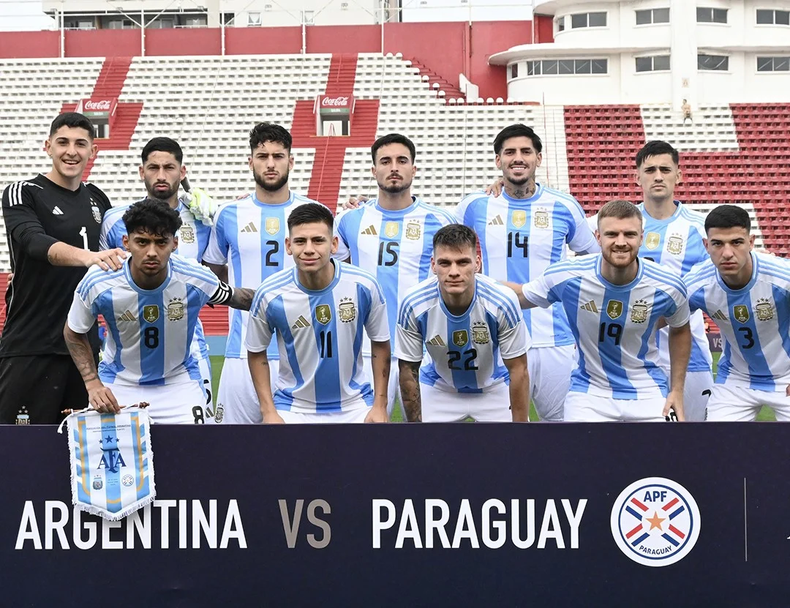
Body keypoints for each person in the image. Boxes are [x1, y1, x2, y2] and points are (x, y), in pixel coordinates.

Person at [456, 124, 599, 422]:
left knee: (562, 431)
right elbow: (437, 236)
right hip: (494, 339)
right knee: (504, 435)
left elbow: (594, 261)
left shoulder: (564, 206)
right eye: (509, 152)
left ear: (539, 158)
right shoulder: (475, 205)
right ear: (498, 161)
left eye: (525, 152)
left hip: (554, 339)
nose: (517, 158)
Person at [64, 200, 253, 423]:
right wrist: (92, 383)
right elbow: (74, 331)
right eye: (142, 242)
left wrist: (287, 297)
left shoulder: (195, 277)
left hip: (179, 384)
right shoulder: (99, 280)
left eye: (161, 242)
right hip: (119, 384)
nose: (151, 252)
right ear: (126, 242)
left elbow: (240, 298)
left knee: (196, 454)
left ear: (175, 243)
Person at [505, 200, 691, 422]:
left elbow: (680, 328)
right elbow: (520, 296)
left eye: (629, 235)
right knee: (580, 456)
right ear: (598, 237)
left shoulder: (668, 285)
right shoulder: (567, 276)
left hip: (648, 391)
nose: (621, 242)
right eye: (612, 234)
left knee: (665, 455)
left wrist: (677, 390)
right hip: (589, 393)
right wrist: (471, 283)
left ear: (642, 238)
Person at [0, 112, 127, 424]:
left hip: (83, 348)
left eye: (81, 144)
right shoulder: (23, 192)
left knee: (80, 451)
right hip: (31, 344)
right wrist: (89, 257)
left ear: (92, 151)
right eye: (63, 142)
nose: (72, 151)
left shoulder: (98, 198)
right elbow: (34, 243)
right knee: (20, 453)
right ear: (48, 146)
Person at [586, 141, 713, 420]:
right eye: (650, 169)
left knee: (697, 442)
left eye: (665, 169)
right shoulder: (615, 222)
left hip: (689, 355)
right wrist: (504, 188)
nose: (658, 176)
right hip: (629, 358)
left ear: (678, 175)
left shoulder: (700, 228)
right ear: (637, 176)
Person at [203, 123, 319, 424]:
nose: (270, 163)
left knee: (302, 455)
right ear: (250, 161)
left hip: (302, 353)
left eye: (278, 156)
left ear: (291, 161)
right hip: (241, 352)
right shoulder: (229, 214)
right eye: (262, 155)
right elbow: (216, 276)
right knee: (234, 452)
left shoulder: (314, 212)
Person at [334, 133, 455, 418]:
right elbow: (331, 273)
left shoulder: (439, 220)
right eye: (385, 161)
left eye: (402, 160)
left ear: (414, 168)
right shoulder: (348, 220)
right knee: (368, 440)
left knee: (428, 439)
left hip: (425, 347)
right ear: (374, 170)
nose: (394, 167)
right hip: (364, 348)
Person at [99, 137, 218, 418]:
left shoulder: (202, 217)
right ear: (142, 171)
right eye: (153, 167)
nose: (161, 175)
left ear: (183, 171)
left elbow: (216, 273)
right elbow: (102, 278)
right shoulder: (116, 220)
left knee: (199, 441)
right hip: (127, 341)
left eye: (169, 167)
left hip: (187, 344)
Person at [246, 203, 390, 424]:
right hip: (293, 407)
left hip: (355, 405)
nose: (309, 249)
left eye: (318, 240)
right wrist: (269, 412)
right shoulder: (270, 293)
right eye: (300, 241)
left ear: (334, 244)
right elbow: (256, 352)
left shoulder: (364, 285)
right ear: (288, 245)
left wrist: (380, 405)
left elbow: (380, 343)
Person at [396, 224, 529, 422]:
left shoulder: (502, 301)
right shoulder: (414, 303)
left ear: (477, 263)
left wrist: (521, 433)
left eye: (463, 262)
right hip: (439, 386)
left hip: (494, 387)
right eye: (445, 263)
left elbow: (518, 369)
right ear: (433, 265)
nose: (454, 272)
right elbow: (408, 369)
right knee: (424, 451)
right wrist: (417, 431)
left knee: (512, 451)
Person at [685, 205, 790, 421]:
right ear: (706, 245)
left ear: (750, 242)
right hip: (736, 378)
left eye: (736, 242)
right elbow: (658, 319)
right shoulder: (697, 284)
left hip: (786, 376)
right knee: (719, 450)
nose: (727, 253)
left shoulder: (783, 277)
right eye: (717, 244)